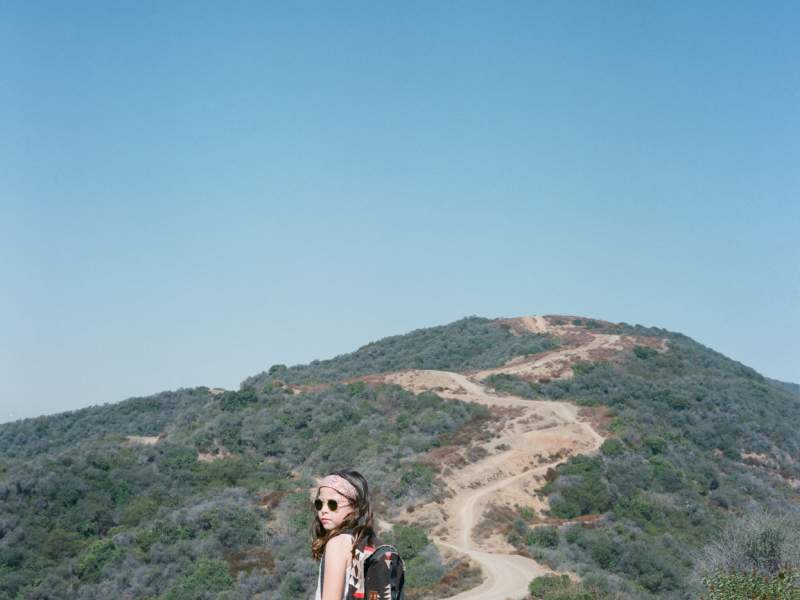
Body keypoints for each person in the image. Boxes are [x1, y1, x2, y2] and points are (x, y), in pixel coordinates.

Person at [311, 468, 378, 600]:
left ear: (355, 506)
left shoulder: (338, 544)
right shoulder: (366, 541)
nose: (323, 510)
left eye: (332, 504)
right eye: (319, 503)